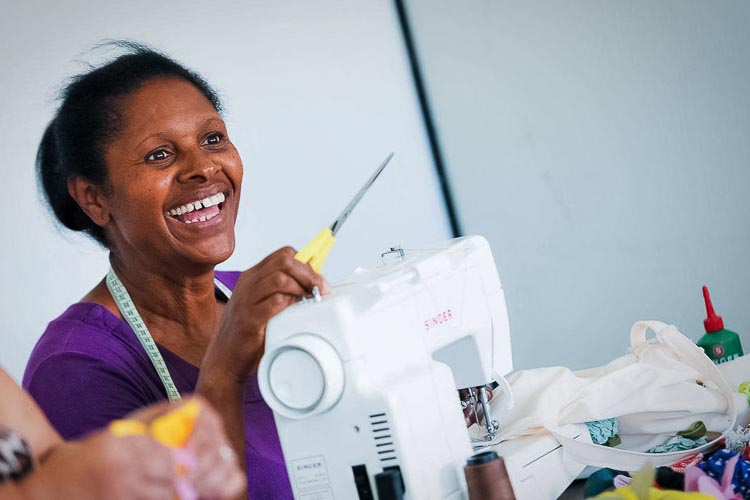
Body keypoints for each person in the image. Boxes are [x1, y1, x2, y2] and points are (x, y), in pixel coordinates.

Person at [24, 42, 329, 500]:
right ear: (95, 199)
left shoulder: (265, 301)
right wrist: (223, 370)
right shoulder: (75, 368)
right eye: (159, 155)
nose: (203, 168)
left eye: (213, 140)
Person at [0, 365, 244, 499]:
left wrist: (145, 432)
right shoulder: (70, 363)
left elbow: (52, 460)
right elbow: (56, 483)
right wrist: (39, 493)